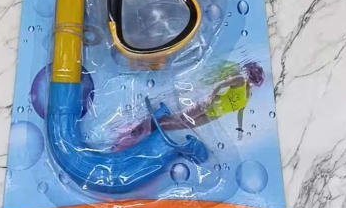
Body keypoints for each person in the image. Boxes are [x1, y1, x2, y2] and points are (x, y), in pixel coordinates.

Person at [113, 60, 265, 149]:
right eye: (252, 78)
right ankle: (136, 129)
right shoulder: (240, 81)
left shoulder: (248, 96)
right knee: (177, 119)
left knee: (179, 125)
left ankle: (148, 130)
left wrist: (240, 128)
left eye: (254, 81)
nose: (252, 82)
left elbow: (241, 111)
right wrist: (210, 97)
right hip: (208, 105)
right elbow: (220, 84)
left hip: (214, 115)